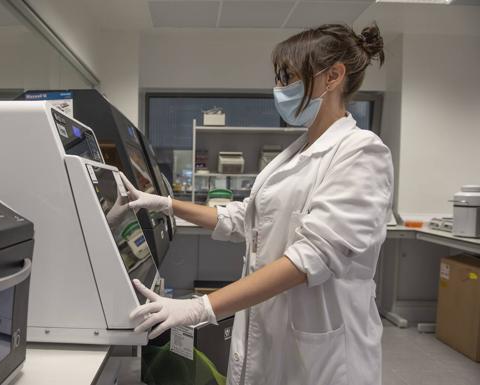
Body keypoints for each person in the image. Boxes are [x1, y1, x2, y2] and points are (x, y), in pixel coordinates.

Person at [123, 23, 393, 385]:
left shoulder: (362, 152)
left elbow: (310, 257)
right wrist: (165, 203)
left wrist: (200, 307)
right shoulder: (294, 153)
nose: (280, 89)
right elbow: (242, 217)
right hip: (269, 333)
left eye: (290, 77)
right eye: (280, 78)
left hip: (321, 354)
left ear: (333, 76)